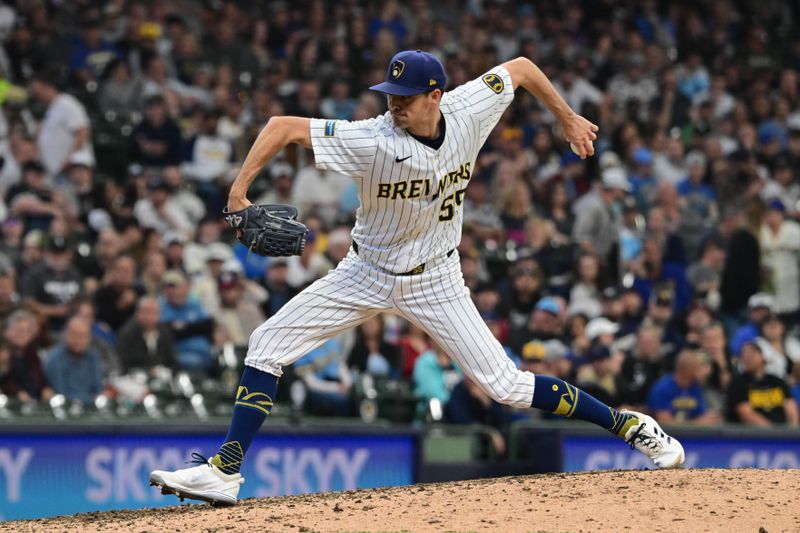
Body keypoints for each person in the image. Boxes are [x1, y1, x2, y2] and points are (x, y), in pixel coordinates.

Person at [150, 49, 684, 505]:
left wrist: (566, 117)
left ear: (435, 95)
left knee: (506, 386)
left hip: (438, 279)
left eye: (404, 96)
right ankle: (225, 470)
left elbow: (520, 68)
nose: (394, 104)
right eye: (389, 94)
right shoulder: (372, 139)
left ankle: (629, 425)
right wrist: (238, 194)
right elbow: (281, 128)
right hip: (365, 271)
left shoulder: (470, 107)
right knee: (266, 343)